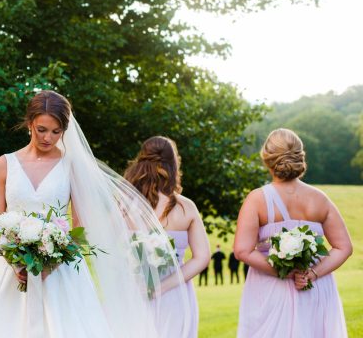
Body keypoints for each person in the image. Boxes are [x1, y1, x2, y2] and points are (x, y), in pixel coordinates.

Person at [0, 90, 192, 338]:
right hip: (8, 272)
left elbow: (79, 229)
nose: (48, 137)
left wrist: (50, 263)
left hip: (58, 272)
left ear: (64, 130)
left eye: (56, 131)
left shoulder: (71, 165)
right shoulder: (3, 164)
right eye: (42, 129)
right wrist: (17, 263)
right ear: (29, 123)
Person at [234, 128, 351, 337]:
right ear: (300, 156)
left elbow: (242, 251)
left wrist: (283, 273)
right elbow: (344, 247)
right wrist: (312, 274)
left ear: (267, 158)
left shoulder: (257, 199)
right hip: (313, 289)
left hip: (270, 290)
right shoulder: (320, 199)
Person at [124, 136, 210, 338]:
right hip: (175, 294)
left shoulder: (123, 206)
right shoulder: (186, 207)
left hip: (132, 293)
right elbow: (202, 257)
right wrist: (162, 287)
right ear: (174, 164)